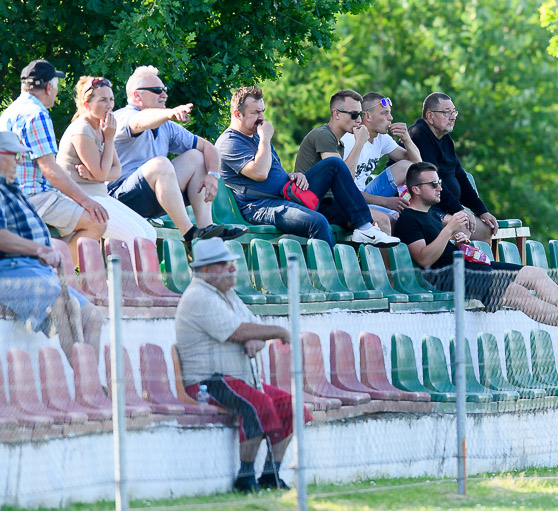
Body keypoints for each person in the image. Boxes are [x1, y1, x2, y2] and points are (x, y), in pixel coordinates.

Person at [394, 162, 558, 331]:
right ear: (416, 189)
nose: (440, 187)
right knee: (518, 294)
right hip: (450, 277)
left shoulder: (431, 215)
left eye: (439, 182)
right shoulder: (408, 220)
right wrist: (448, 230)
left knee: (535, 274)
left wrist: (458, 243)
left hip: (469, 268)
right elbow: (424, 259)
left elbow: (440, 248)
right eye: (433, 184)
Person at [175, 238, 311, 493]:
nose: (231, 269)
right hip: (208, 382)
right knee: (258, 404)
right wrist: (278, 331)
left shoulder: (228, 295)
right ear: (204, 270)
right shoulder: (198, 296)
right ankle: (245, 477)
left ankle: (271, 474)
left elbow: (252, 328)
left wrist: (256, 336)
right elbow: (238, 331)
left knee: (294, 408)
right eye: (223, 265)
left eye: (231, 263)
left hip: (239, 380)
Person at [216, 86, 398, 247]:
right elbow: (260, 173)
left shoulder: (257, 136)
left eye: (262, 111)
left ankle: (364, 227)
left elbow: (273, 171)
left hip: (288, 193)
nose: (262, 118)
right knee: (318, 222)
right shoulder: (230, 142)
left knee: (334, 165)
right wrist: (265, 138)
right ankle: (328, 274)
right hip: (261, 205)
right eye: (256, 112)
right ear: (237, 114)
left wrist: (292, 175)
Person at [107, 65, 244, 242]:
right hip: (121, 201)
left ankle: (206, 229)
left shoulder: (166, 125)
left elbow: (208, 147)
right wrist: (170, 113)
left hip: (151, 197)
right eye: (157, 90)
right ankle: (189, 233)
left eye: (164, 90)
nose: (164, 95)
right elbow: (139, 122)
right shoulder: (123, 116)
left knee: (197, 156)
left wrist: (213, 175)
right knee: (160, 164)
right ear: (137, 96)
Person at [0, 131, 102, 366]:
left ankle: (88, 380)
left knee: (93, 316)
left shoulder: (13, 189)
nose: (19, 162)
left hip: (37, 272)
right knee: (66, 305)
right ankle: (84, 378)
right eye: (15, 156)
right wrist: (40, 250)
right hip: (9, 271)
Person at [0, 59, 108, 264]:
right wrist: (86, 201)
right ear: (49, 87)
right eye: (56, 86)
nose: (56, 91)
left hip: (9, 194)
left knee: (72, 227)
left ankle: (46, 263)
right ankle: (56, 273)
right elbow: (49, 169)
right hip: (33, 196)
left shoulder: (9, 112)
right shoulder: (37, 114)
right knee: (97, 222)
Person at [57, 76, 156, 263]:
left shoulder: (102, 127)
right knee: (137, 238)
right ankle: (130, 282)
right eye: (103, 100)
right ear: (87, 104)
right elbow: (103, 174)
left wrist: (95, 175)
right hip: (81, 199)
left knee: (149, 233)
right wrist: (109, 140)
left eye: (111, 99)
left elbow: (116, 171)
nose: (109, 105)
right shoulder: (82, 130)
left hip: (99, 195)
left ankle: (135, 280)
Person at [408, 92, 498, 243]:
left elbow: (459, 176)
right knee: (463, 225)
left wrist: (482, 211)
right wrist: (459, 210)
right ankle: (456, 259)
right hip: (426, 207)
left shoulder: (446, 139)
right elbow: (433, 182)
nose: (453, 117)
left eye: (454, 112)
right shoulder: (419, 134)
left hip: (445, 207)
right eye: (446, 112)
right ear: (430, 116)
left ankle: (480, 260)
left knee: (487, 229)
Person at [340, 93, 421, 234]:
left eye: (390, 113)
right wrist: (386, 201)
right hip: (346, 199)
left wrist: (407, 139)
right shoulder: (349, 140)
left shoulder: (382, 138)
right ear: (368, 116)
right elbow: (345, 189)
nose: (391, 118)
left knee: (407, 167)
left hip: (364, 194)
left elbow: (418, 167)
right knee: (394, 219)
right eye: (384, 113)